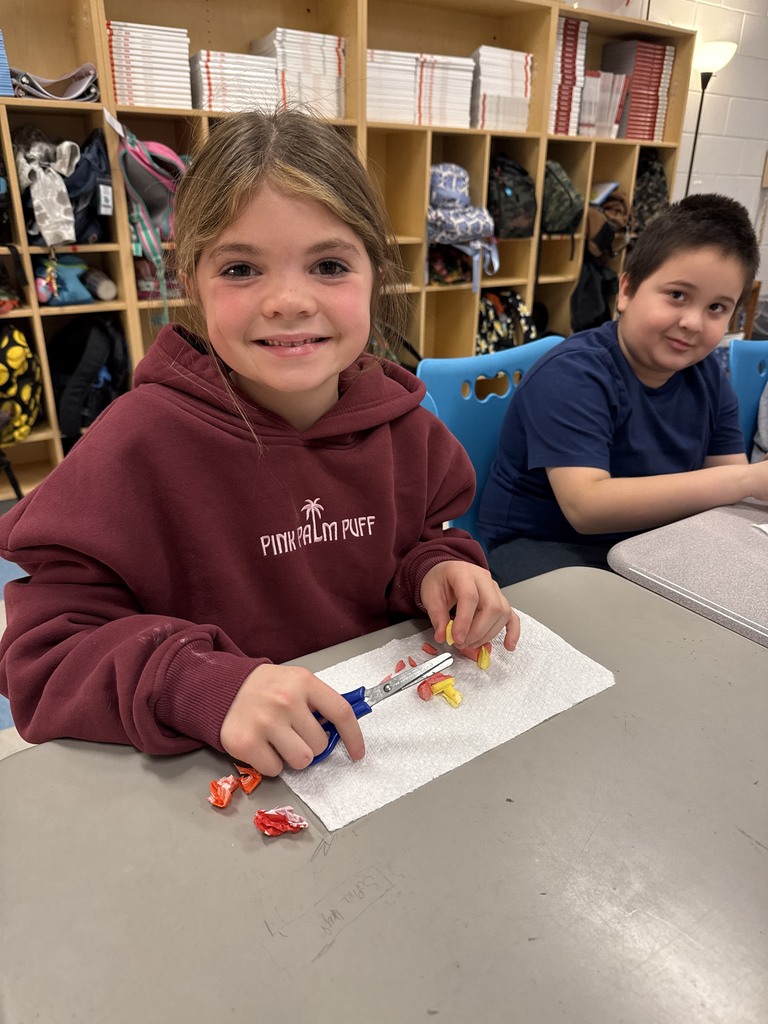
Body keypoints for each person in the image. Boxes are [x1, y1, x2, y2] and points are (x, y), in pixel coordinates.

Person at [0, 109, 519, 774]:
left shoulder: (407, 431)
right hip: (210, 787)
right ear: (191, 282)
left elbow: (417, 542)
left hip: (379, 765)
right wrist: (200, 684)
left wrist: (438, 570)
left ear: (375, 273)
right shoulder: (134, 447)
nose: (288, 301)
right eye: (242, 269)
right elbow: (43, 658)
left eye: (329, 264)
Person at [478, 193, 766, 586]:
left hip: (646, 542)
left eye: (717, 308)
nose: (693, 323)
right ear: (626, 291)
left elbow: (726, 484)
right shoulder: (574, 373)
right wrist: (748, 480)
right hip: (545, 547)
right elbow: (587, 506)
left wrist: (743, 482)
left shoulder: (708, 375)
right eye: (677, 295)